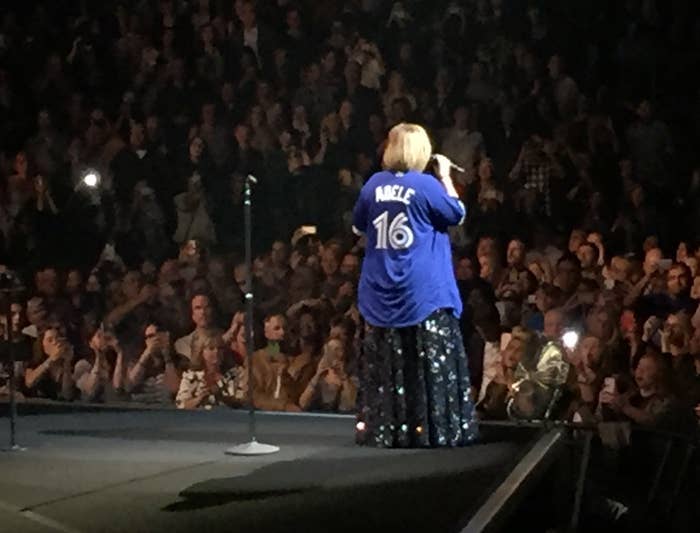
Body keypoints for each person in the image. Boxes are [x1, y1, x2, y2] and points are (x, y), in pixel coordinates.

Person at [352, 122, 478, 447]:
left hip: (382, 290)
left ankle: (390, 429)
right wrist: (446, 176)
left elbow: (358, 228)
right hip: (423, 292)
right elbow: (457, 214)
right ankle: (434, 429)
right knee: (428, 365)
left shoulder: (372, 185)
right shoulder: (426, 185)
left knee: (390, 366)